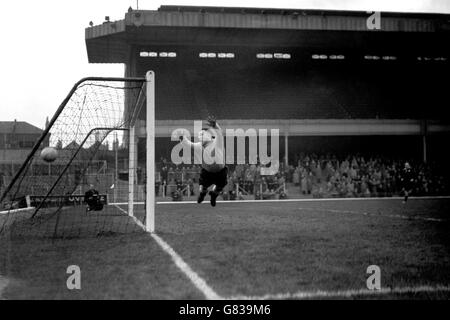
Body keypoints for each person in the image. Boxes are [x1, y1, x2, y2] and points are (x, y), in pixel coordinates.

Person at [179, 116, 227, 207]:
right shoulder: (199, 145)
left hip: (220, 171)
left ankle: (214, 195)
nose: (200, 137)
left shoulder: (217, 142)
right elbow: (189, 144)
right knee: (203, 185)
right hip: (207, 172)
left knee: (220, 185)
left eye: (202, 134)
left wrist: (215, 125)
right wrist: (183, 139)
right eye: (199, 135)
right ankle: (202, 194)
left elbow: (219, 133)